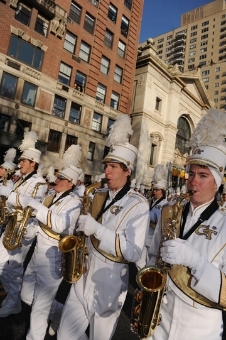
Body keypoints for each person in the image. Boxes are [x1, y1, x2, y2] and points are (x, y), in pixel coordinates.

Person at [57, 114, 150, 340]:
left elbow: (133, 251)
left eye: (114, 167)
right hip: (84, 274)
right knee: (64, 336)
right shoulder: (97, 193)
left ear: (127, 171)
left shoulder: (139, 204)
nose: (107, 171)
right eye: (107, 166)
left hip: (109, 282)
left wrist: (97, 230)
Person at [145, 109, 226, 340]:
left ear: (217, 184)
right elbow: (152, 256)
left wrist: (196, 261)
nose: (193, 182)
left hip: (199, 330)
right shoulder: (170, 211)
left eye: (203, 175)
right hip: (159, 322)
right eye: (191, 174)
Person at [17, 144, 83, 340]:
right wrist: (29, 230)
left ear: (71, 183)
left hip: (53, 255)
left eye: (61, 178)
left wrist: (37, 207)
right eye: (58, 176)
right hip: (38, 250)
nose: (56, 180)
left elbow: (62, 225)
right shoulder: (52, 196)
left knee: (39, 309)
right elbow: (41, 222)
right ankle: (59, 312)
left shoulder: (74, 202)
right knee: (26, 295)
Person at [0, 131, 47, 317]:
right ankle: (14, 297)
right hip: (12, 224)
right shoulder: (21, 180)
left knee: (15, 267)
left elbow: (31, 203)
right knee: (3, 264)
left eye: (23, 161)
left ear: (33, 163)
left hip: (24, 230)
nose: (20, 164)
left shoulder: (40, 183)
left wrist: (9, 194)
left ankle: (14, 301)